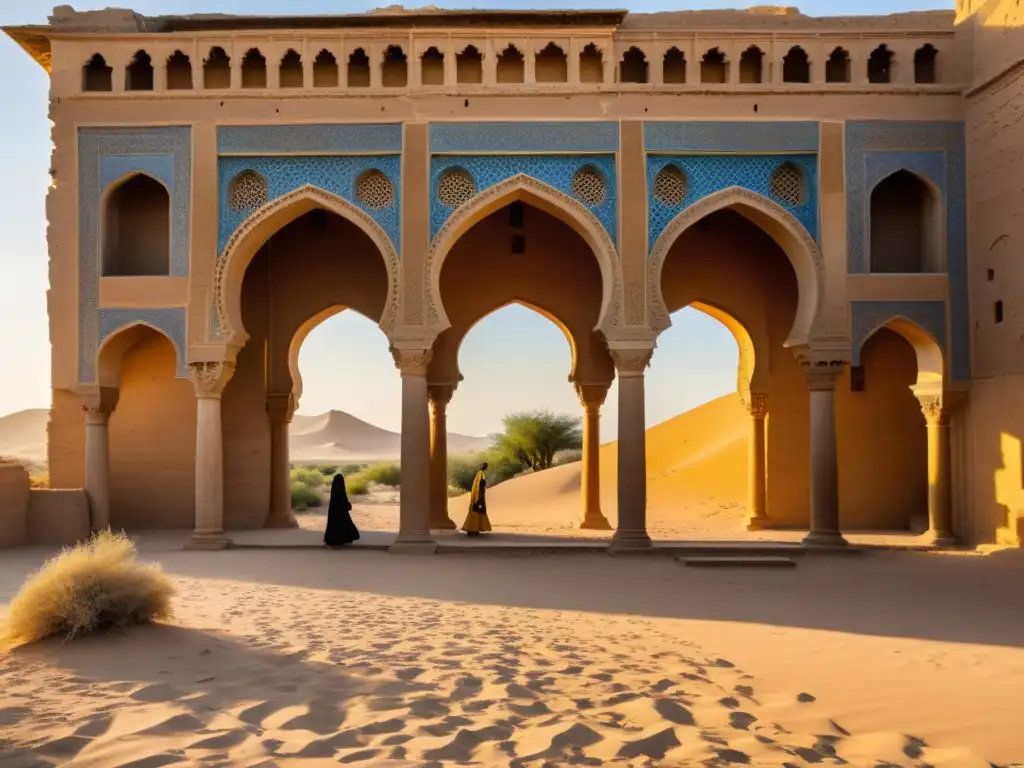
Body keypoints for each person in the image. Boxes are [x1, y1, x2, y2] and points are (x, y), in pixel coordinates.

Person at [324, 473, 360, 547]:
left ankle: (336, 540)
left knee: (335, 525)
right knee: (344, 523)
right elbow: (343, 498)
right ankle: (344, 538)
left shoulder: (334, 490)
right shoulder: (341, 489)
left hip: (334, 510)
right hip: (341, 510)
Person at [461, 462, 492, 536]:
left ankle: (474, 529)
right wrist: (479, 498)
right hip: (479, 495)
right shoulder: (480, 474)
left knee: (476, 511)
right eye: (483, 465)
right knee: (477, 511)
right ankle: (473, 529)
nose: (484, 467)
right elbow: (479, 486)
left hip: (478, 495)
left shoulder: (480, 474)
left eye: (485, 466)